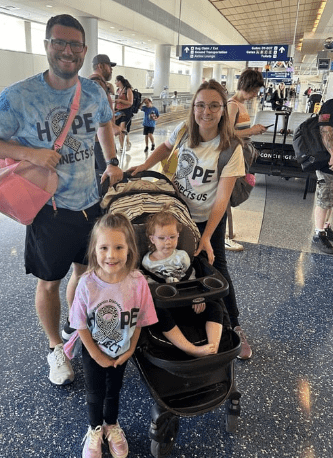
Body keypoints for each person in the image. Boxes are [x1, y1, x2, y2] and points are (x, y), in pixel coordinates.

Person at [0, 14, 123, 386]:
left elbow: (104, 122)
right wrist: (30, 155)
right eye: (60, 43)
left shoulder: (93, 92)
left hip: (92, 205)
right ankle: (56, 347)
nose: (67, 51)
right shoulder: (20, 96)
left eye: (75, 45)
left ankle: (78, 325)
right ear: (47, 46)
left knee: (86, 272)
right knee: (49, 281)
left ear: (84, 51)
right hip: (50, 210)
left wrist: (113, 161)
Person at [129, 79, 252, 359]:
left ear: (223, 110)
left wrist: (207, 236)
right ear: (193, 107)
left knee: (215, 267)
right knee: (166, 260)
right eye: (200, 105)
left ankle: (234, 325)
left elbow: (222, 199)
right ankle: (173, 311)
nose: (205, 112)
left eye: (213, 106)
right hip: (176, 215)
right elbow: (164, 147)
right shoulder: (185, 129)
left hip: (207, 218)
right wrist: (143, 167)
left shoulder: (231, 148)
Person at [67, 212, 158, 458]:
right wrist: (96, 355)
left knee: (114, 390)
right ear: (94, 250)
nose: (111, 255)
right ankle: (95, 428)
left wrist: (130, 349)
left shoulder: (138, 282)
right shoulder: (87, 284)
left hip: (122, 350)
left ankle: (112, 425)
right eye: (104, 247)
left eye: (118, 247)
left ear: (130, 248)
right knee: (95, 392)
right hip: (93, 351)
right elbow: (80, 324)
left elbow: (140, 320)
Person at [141, 208, 222, 357]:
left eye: (172, 237)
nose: (168, 242)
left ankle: (213, 348)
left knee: (215, 307)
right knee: (158, 314)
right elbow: (149, 288)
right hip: (166, 305)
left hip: (188, 301)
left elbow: (192, 278)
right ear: (152, 239)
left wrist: (198, 297)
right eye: (162, 238)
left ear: (178, 235)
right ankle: (190, 349)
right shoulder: (147, 262)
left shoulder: (182, 256)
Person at [226, 68, 266, 252]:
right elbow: (226, 134)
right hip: (231, 157)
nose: (254, 95)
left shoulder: (241, 105)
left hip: (240, 155)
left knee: (232, 192)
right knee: (228, 194)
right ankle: (225, 235)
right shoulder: (232, 105)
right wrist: (252, 131)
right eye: (254, 91)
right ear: (245, 86)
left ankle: (226, 233)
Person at [89, 54, 120, 172]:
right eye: (109, 66)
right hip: (100, 140)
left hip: (99, 139)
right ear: (100, 66)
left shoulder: (100, 83)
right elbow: (96, 110)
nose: (111, 69)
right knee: (108, 175)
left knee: (101, 174)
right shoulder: (95, 83)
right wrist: (112, 126)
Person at [312, 99, 333, 254]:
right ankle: (318, 233)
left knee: (331, 196)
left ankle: (327, 227)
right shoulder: (330, 106)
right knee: (324, 196)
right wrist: (332, 154)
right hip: (326, 160)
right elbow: (325, 131)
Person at [114, 75, 134, 154]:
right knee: (119, 131)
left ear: (119, 81)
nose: (115, 83)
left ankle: (124, 145)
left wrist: (120, 100)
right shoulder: (117, 90)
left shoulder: (127, 90)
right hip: (118, 111)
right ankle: (123, 145)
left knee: (122, 129)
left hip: (126, 112)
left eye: (116, 81)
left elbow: (130, 102)